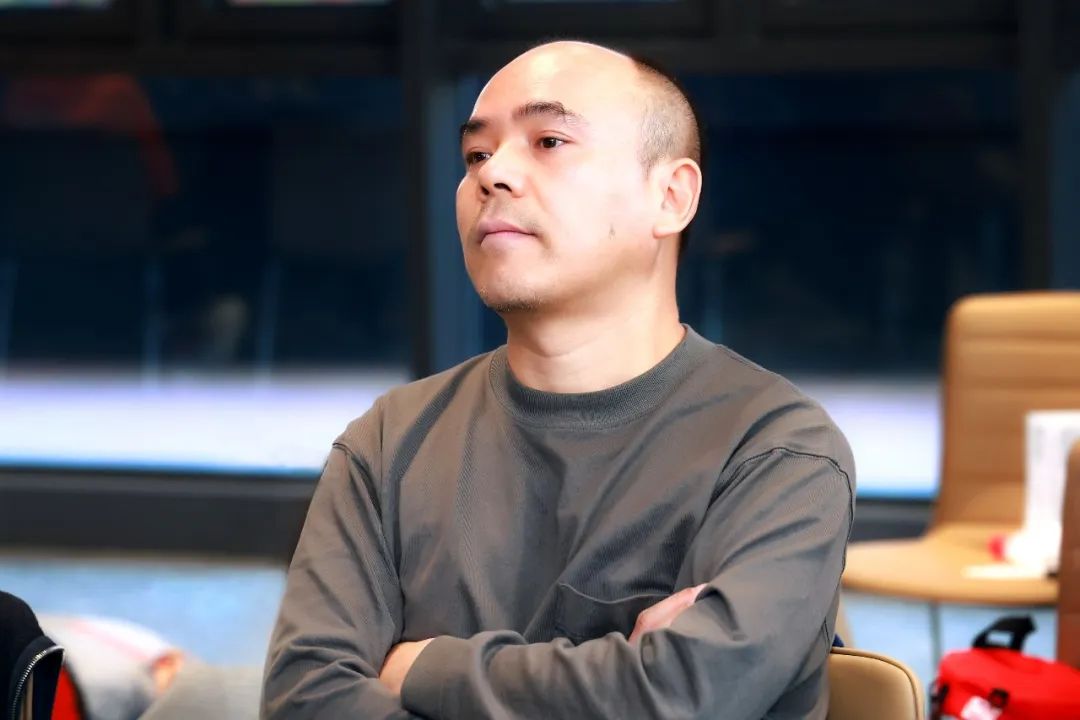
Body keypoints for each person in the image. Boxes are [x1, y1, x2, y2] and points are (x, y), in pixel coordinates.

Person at [262, 40, 855, 719]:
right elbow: (303, 698)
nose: (493, 174)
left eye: (548, 141)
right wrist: (617, 678)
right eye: (476, 155)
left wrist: (424, 667)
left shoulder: (776, 452)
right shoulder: (389, 442)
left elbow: (679, 696)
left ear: (670, 196)